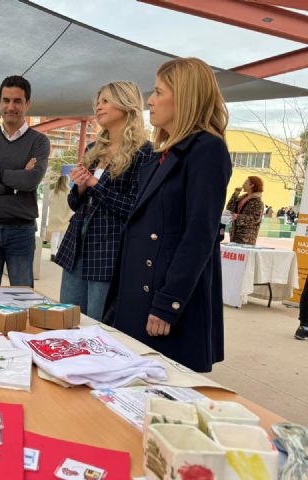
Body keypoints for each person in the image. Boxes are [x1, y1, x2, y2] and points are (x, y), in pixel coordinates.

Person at [103, 57, 232, 373]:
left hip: (163, 308)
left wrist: (167, 304)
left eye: (159, 92)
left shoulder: (207, 150)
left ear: (185, 97)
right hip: (138, 298)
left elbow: (199, 236)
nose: (150, 100)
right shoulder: (161, 155)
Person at [55, 81, 152, 321]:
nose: (99, 106)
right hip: (76, 248)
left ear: (126, 103)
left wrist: (95, 186)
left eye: (106, 101)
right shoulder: (93, 148)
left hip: (109, 253)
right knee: (68, 321)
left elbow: (135, 208)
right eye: (98, 101)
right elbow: (74, 204)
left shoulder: (144, 153)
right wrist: (78, 187)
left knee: (98, 326)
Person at [0, 75, 50, 287]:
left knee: (22, 297)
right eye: (6, 100)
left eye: (17, 101)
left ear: (27, 104)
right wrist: (15, 184)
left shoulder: (39, 142)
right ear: (0, 102)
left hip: (21, 232)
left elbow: (31, 180)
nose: (10, 106)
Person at [226, 176, 264, 245]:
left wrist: (238, 217)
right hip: (235, 234)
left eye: (246, 182)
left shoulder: (257, 202)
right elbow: (229, 208)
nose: (243, 184)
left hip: (246, 238)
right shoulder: (242, 198)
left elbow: (255, 219)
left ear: (252, 185)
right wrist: (235, 194)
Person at [46, 175, 71, 261]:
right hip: (65, 217)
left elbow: (49, 203)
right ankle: (60, 254)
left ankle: (53, 254)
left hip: (54, 217)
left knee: (55, 236)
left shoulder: (53, 192)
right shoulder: (69, 193)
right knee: (62, 237)